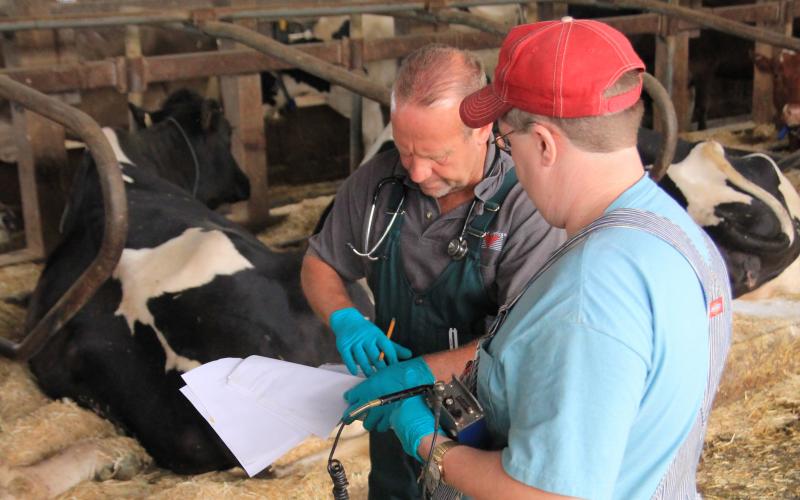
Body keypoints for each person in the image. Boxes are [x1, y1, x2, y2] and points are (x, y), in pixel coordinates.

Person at [344, 18, 733, 499]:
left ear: (545, 144)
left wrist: (428, 444)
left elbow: (550, 494)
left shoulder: (591, 289)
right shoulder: (679, 236)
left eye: (506, 143)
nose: (508, 163)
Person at [301, 44, 565, 498]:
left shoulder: (528, 208)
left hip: (487, 437)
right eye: (406, 152)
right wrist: (346, 318)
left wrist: (416, 374)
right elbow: (319, 263)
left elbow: (527, 342)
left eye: (436, 155)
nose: (418, 172)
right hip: (393, 427)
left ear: (482, 129)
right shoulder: (377, 186)